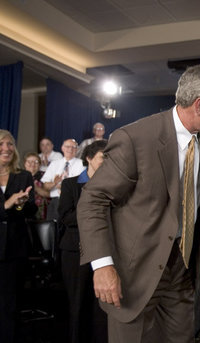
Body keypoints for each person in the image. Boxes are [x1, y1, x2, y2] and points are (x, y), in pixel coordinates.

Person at [77, 64, 200, 343]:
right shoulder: (134, 139)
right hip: (134, 273)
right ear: (199, 105)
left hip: (183, 270)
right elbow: (93, 200)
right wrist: (102, 266)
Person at [59, 140, 108, 343]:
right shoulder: (70, 184)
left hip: (104, 251)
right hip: (74, 251)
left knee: (101, 305)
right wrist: (91, 211)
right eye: (103, 157)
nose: (107, 162)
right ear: (89, 158)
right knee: (77, 303)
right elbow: (66, 217)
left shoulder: (112, 186)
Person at [0, 130, 37, 343]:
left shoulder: (23, 175)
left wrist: (22, 204)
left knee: (12, 302)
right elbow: (6, 207)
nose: (6, 148)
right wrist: (7, 203)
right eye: (2, 144)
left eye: (10, 144)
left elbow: (30, 210)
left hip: (15, 247)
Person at [41, 139, 85, 220]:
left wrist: (64, 187)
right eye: (67, 146)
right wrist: (54, 183)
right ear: (62, 148)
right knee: (52, 230)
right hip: (56, 202)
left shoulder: (82, 164)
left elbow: (83, 186)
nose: (70, 149)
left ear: (77, 149)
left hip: (74, 203)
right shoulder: (54, 164)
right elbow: (45, 186)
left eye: (74, 147)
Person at [23, 152, 50, 220]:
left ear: (40, 164)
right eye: (29, 161)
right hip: (22, 209)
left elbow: (49, 194)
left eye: (36, 161)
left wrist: (36, 187)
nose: (32, 164)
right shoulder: (19, 176)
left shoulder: (45, 176)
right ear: (24, 164)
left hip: (41, 211)